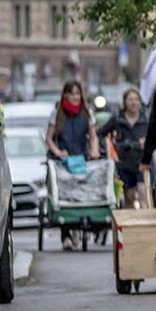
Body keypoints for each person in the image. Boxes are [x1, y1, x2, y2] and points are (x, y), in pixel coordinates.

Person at [45, 80, 100, 250]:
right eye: (72, 93)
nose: (75, 97)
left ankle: (77, 228)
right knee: (64, 194)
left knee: (81, 192)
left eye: (78, 94)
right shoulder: (57, 113)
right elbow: (49, 138)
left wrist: (94, 150)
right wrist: (57, 152)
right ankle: (66, 234)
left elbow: (93, 136)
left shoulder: (86, 112)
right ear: (65, 95)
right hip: (63, 159)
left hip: (81, 157)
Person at [99, 88, 149, 208]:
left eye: (136, 99)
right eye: (130, 99)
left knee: (144, 195)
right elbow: (100, 134)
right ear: (125, 102)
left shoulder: (146, 119)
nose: (133, 102)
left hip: (142, 162)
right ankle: (132, 225)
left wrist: (148, 143)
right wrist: (110, 149)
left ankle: (145, 224)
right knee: (129, 198)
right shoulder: (117, 119)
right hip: (124, 163)